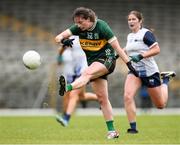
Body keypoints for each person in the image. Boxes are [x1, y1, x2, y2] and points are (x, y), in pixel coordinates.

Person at [55, 7, 137, 139]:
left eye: (80, 22)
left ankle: (67, 87)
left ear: (88, 20)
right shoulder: (77, 28)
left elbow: (117, 48)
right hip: (93, 63)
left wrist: (128, 63)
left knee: (86, 73)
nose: (78, 25)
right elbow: (57, 37)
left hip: (107, 59)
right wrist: (63, 41)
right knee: (102, 98)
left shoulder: (102, 27)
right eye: (76, 22)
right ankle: (112, 131)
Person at [123, 10, 176, 134]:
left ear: (140, 21)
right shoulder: (129, 36)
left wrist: (141, 56)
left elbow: (157, 49)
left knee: (160, 105)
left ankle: (166, 80)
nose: (131, 21)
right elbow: (127, 49)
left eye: (133, 19)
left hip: (150, 72)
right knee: (127, 96)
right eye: (129, 19)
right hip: (135, 72)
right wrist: (116, 54)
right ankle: (133, 128)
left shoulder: (146, 34)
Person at [56, 35, 98, 126]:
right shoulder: (72, 37)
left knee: (73, 94)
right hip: (75, 72)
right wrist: (62, 47)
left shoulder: (88, 36)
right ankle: (100, 98)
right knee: (81, 96)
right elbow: (61, 46)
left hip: (85, 70)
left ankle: (66, 119)